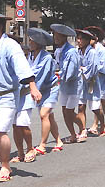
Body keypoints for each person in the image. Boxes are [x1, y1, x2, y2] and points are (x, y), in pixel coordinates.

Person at [0, 12, 41, 183]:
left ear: (0, 27)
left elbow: (22, 66)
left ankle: (6, 165)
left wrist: (32, 86)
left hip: (6, 95)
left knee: (0, 130)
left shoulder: (10, 45)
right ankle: (2, 163)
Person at [27, 28, 64, 156]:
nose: (30, 42)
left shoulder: (46, 57)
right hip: (39, 88)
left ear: (38, 42)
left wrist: (32, 90)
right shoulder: (31, 56)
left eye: (32, 40)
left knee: (44, 114)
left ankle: (42, 145)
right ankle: (58, 141)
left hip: (49, 89)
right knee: (49, 116)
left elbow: (41, 77)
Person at [51, 23, 81, 144]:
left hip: (73, 85)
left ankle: (82, 128)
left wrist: (61, 76)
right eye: (54, 35)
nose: (55, 37)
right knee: (64, 111)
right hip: (63, 85)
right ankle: (73, 134)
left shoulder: (71, 51)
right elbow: (56, 65)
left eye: (58, 35)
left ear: (64, 37)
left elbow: (71, 70)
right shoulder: (59, 51)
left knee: (69, 111)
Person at [75, 29, 104, 141]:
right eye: (78, 38)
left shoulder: (92, 52)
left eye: (81, 39)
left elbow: (93, 68)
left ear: (87, 40)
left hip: (91, 82)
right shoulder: (77, 51)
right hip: (80, 82)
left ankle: (102, 124)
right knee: (81, 106)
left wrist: (83, 69)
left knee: (95, 108)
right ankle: (82, 129)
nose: (79, 41)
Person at [10, 44, 36, 164]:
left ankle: (30, 148)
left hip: (25, 96)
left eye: (26, 54)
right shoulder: (12, 64)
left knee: (23, 124)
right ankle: (20, 152)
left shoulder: (29, 65)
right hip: (14, 97)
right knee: (15, 125)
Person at [86, 26, 105, 134]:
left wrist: (92, 67)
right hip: (94, 79)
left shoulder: (102, 50)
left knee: (102, 101)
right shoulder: (88, 50)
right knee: (98, 101)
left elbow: (104, 67)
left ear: (96, 38)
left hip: (104, 79)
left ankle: (99, 124)